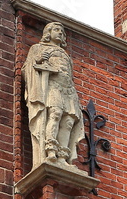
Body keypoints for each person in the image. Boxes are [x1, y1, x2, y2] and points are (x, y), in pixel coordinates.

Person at [23, 22, 84, 169]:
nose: (60, 33)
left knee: (69, 121)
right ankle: (50, 151)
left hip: (68, 90)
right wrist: (37, 60)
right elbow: (26, 70)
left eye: (62, 32)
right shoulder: (38, 48)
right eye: (57, 30)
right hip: (52, 87)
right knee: (55, 114)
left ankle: (63, 156)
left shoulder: (66, 55)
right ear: (48, 32)